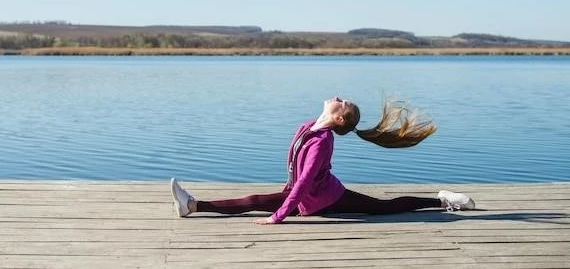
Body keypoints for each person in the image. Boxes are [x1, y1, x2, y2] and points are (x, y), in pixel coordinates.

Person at [170, 97, 475, 224]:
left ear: (339, 116)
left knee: (386, 207)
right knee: (253, 199)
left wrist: (279, 216)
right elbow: (296, 169)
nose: (336, 97)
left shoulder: (321, 142)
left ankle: (444, 201)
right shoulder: (308, 127)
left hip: (326, 198)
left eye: (341, 101)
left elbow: (304, 182)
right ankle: (193, 206)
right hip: (307, 193)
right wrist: (288, 191)